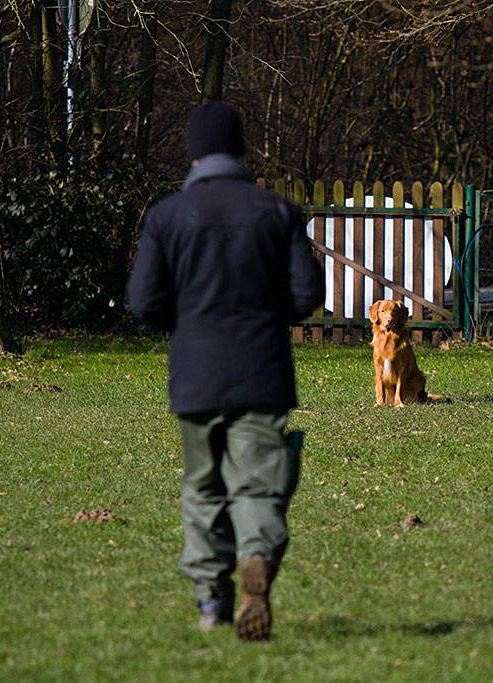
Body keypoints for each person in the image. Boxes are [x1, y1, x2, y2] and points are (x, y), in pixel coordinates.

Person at [127, 101, 325, 641]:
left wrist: (189, 323)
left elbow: (143, 300)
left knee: (203, 488)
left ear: (192, 153)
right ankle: (256, 558)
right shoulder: (277, 211)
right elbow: (308, 294)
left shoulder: (168, 217)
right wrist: (263, 316)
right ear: (240, 149)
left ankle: (211, 601)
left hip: (195, 375)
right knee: (258, 485)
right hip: (262, 372)